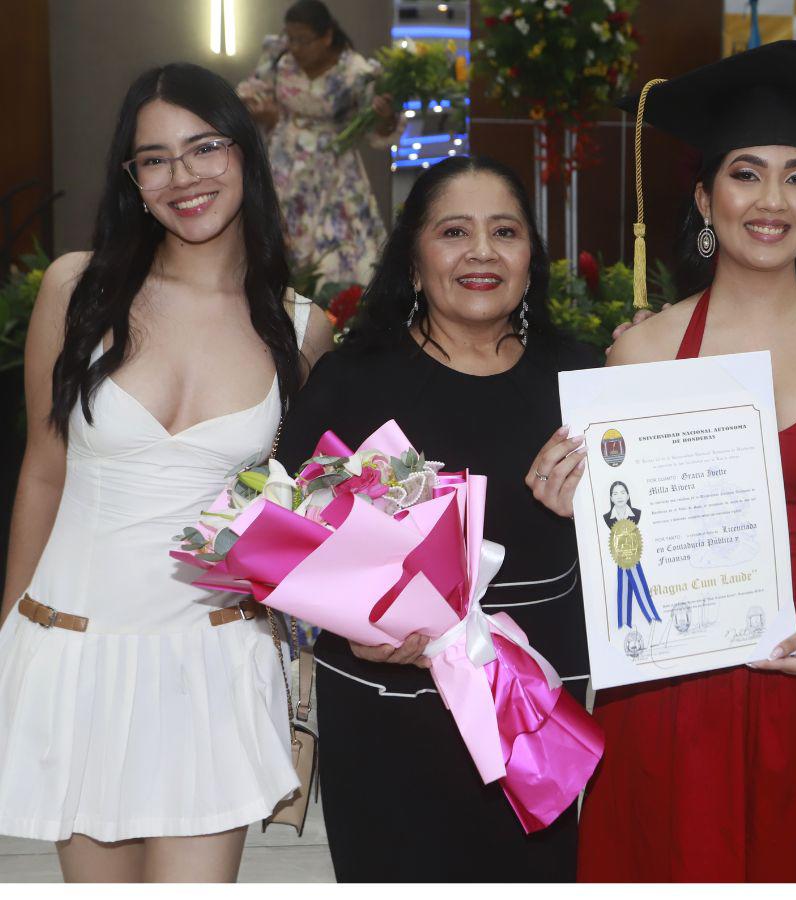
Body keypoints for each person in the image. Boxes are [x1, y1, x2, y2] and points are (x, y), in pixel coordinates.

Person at [529, 40, 796, 881]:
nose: (772, 201)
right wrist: (570, 505)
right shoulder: (642, 351)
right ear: (702, 196)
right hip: (681, 679)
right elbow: (626, 542)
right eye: (746, 174)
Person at [0, 63, 333, 882]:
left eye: (204, 147)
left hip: (213, 664)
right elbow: (43, 474)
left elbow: (296, 507)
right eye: (154, 158)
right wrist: (7, 641)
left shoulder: (301, 328)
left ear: (246, 154)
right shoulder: (76, 289)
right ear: (132, 180)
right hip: (75, 648)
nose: (183, 177)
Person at [273, 155, 598, 883]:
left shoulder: (583, 379)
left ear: (529, 259)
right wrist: (353, 630)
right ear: (414, 262)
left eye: (505, 232)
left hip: (535, 718)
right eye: (455, 231)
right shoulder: (351, 382)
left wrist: (597, 512)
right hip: (388, 715)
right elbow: (286, 543)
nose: (482, 252)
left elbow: (639, 545)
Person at [237, 0, 395, 286]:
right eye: (291, 38)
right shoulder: (279, 59)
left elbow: (375, 130)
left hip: (333, 172)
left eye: (303, 40)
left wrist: (385, 116)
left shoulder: (356, 71)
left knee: (336, 246)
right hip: (283, 164)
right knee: (278, 238)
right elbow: (251, 94)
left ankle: (335, 315)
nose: (295, 47)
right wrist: (264, 113)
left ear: (327, 36)